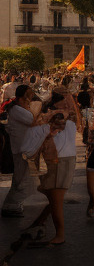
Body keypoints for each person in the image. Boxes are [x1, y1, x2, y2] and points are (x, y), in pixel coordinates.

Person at [22, 95, 80, 248]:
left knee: (56, 201)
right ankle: (40, 221)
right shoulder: (61, 125)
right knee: (54, 198)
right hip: (60, 162)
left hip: (60, 163)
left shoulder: (63, 124)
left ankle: (60, 235)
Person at [1, 84, 37, 218]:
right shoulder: (17, 110)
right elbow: (33, 119)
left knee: (21, 179)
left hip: (22, 147)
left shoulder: (18, 108)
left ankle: (12, 204)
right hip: (20, 148)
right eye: (29, 95)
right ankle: (11, 205)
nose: (31, 97)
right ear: (23, 97)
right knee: (21, 180)